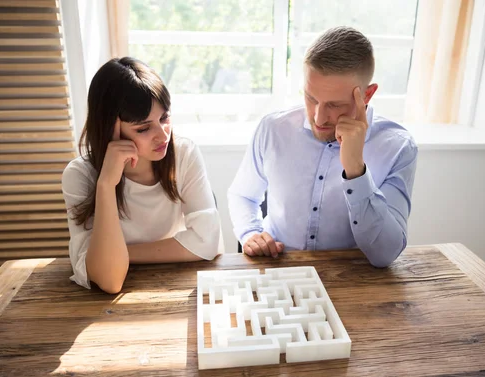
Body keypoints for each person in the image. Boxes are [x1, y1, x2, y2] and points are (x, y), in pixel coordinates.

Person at [228, 26, 418, 267]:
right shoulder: (273, 128)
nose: (318, 118)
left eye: (335, 105)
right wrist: (251, 233)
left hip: (351, 280)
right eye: (311, 98)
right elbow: (243, 195)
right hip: (277, 269)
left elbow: (384, 255)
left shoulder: (398, 147)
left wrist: (355, 171)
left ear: (367, 95)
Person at [62, 57, 221, 294]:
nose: (162, 135)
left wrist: (123, 255)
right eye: (144, 128)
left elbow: (207, 243)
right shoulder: (80, 175)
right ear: (110, 129)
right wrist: (106, 184)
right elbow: (110, 281)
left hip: (176, 286)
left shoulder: (184, 154)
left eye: (164, 118)